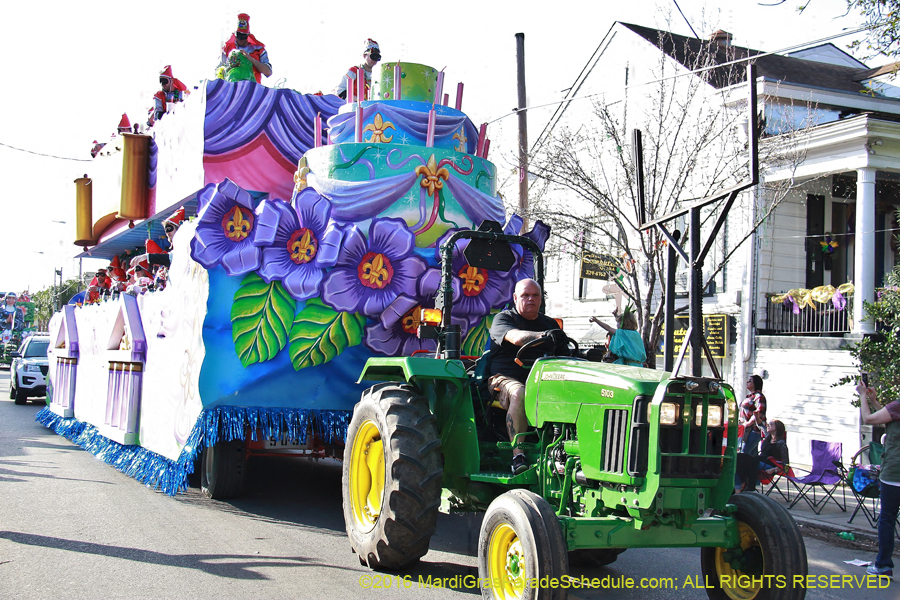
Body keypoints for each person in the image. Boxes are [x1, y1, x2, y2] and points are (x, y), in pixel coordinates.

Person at [488, 278, 565, 474]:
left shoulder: (549, 323)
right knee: (521, 392)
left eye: (535, 295)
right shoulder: (504, 319)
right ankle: (518, 456)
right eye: (525, 295)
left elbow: (566, 352)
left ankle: (563, 449)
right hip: (504, 379)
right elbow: (516, 338)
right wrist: (543, 336)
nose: (530, 299)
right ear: (515, 298)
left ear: (540, 299)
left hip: (544, 380)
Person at [857, 377, 900, 579]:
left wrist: (863, 396)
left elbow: (868, 419)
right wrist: (875, 403)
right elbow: (890, 418)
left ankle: (883, 565)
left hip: (894, 474)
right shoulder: (895, 409)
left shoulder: (898, 406)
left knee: (887, 519)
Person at [735, 419, 789, 492]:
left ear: (778, 427)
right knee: (737, 459)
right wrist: (756, 416)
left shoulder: (781, 444)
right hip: (759, 460)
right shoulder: (768, 437)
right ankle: (739, 486)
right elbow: (760, 425)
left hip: (769, 465)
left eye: (771, 423)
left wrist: (774, 470)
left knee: (746, 460)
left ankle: (745, 487)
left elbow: (786, 465)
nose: (768, 425)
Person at [218, 13, 272, 84]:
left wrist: (250, 59)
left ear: (248, 35)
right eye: (238, 35)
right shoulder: (227, 49)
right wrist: (230, 67)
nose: (240, 39)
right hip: (231, 88)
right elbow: (218, 71)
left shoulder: (258, 50)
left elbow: (268, 72)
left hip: (252, 90)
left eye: (243, 36)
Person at [740, 375, 767, 456]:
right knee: (752, 456)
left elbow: (759, 411)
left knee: (743, 453)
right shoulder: (749, 396)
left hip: (754, 430)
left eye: (750, 381)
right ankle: (755, 468)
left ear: (756, 383)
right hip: (745, 430)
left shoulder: (759, 396)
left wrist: (748, 423)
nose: (747, 382)